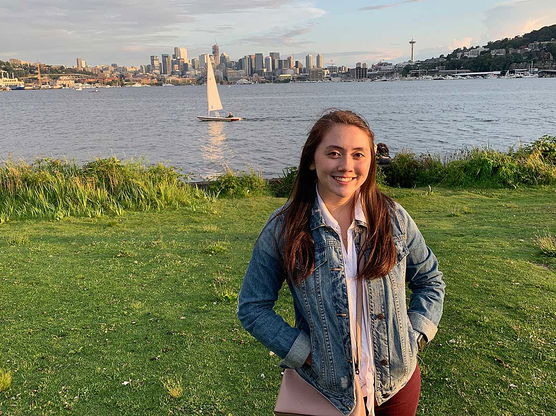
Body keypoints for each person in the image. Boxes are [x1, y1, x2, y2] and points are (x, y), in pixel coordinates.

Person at [237, 110, 445, 416]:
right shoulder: (284, 227)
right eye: (334, 153)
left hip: (396, 385)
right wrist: (304, 353)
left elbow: (430, 281)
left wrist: (414, 336)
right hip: (324, 388)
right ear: (312, 160)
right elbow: (252, 307)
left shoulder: (393, 218)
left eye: (358, 154)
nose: (346, 165)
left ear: (371, 161)